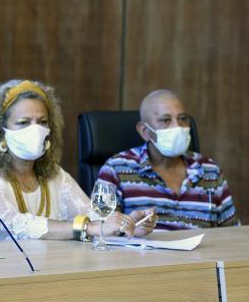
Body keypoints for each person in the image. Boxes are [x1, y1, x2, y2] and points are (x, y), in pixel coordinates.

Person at [0, 79, 156, 244]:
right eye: (23, 123)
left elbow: (94, 217)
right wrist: (88, 227)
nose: (36, 130)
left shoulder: (54, 175)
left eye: (42, 122)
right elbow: (12, 227)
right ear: (0, 132)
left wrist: (127, 226)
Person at [96, 89, 239, 230]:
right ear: (144, 131)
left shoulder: (209, 169)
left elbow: (232, 234)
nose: (177, 126)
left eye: (182, 118)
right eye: (166, 120)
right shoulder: (116, 168)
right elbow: (100, 230)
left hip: (203, 253)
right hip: (142, 253)